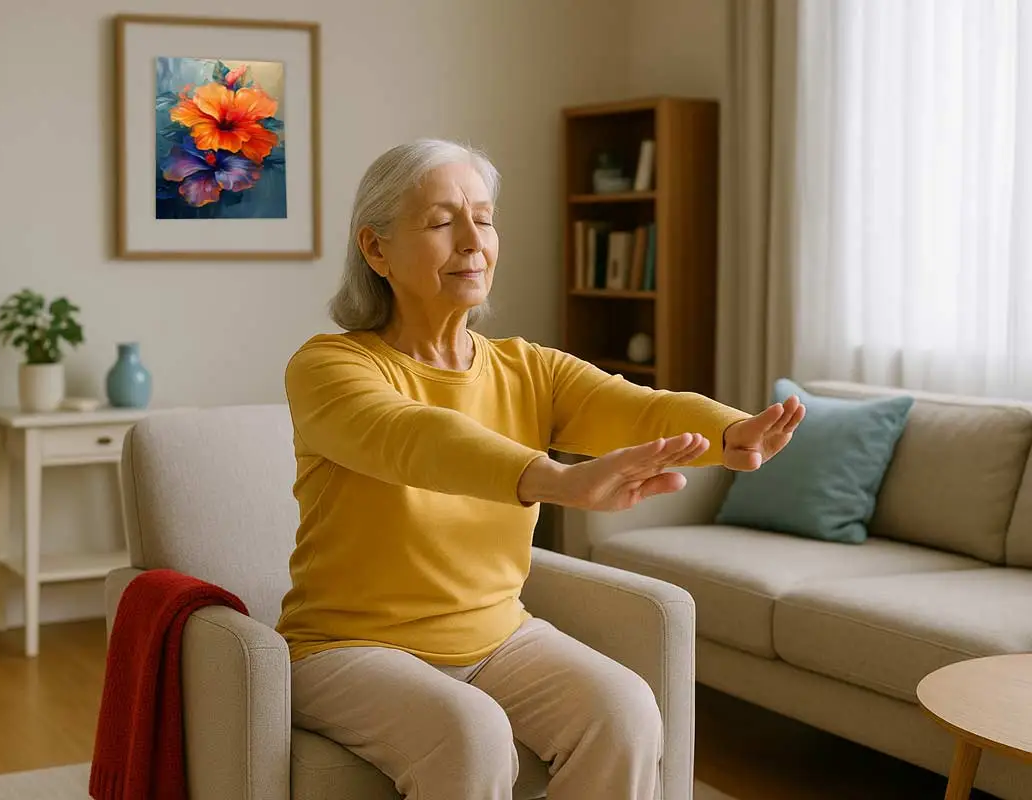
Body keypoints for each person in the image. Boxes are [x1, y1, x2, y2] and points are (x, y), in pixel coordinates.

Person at [277, 139, 805, 800]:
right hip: (345, 648)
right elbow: (418, 439)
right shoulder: (330, 367)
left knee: (626, 711)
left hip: (500, 637)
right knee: (469, 733)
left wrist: (730, 432)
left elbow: (637, 408)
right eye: (442, 222)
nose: (473, 240)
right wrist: (555, 478)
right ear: (376, 249)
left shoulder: (528, 368)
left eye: (485, 217)